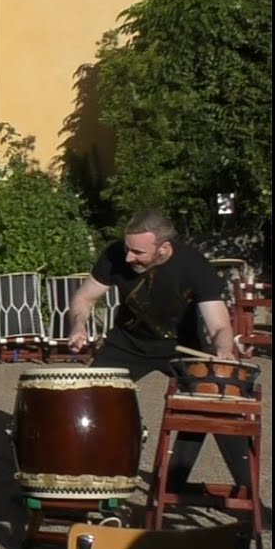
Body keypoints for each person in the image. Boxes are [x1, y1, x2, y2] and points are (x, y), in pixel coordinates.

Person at [67, 209, 253, 497]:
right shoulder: (117, 254)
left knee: (218, 401)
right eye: (128, 249)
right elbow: (84, 297)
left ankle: (245, 492)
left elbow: (218, 326)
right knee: (86, 399)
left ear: (164, 248)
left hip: (181, 347)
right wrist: (78, 325)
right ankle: (68, 478)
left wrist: (223, 351)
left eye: (138, 252)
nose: (128, 258)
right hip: (126, 344)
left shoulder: (194, 265)